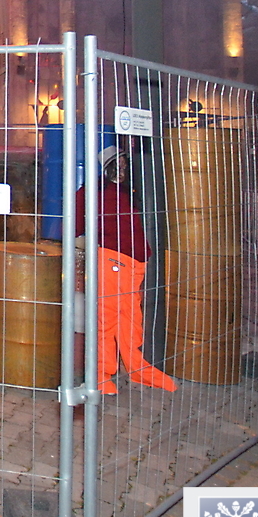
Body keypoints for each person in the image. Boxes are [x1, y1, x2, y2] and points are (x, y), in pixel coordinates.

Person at [74, 146, 177, 395]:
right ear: (106, 168)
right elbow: (75, 225)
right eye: (116, 165)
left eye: (124, 164)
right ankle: (100, 376)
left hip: (135, 262)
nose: (121, 169)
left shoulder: (129, 192)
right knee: (106, 317)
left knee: (130, 318)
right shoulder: (94, 191)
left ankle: (137, 368)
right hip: (112, 258)